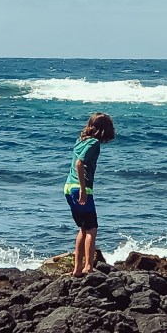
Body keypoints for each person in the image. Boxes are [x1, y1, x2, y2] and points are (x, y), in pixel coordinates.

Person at [64, 111, 115, 277]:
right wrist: (84, 189)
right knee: (92, 229)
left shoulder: (81, 140)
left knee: (83, 229)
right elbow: (80, 163)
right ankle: (88, 267)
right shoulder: (93, 143)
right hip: (80, 188)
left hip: (68, 187)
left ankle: (77, 269)